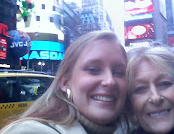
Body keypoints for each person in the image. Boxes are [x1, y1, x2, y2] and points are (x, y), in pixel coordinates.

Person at [0, 31, 128, 134]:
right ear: (65, 81)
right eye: (93, 70)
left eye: (119, 72)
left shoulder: (135, 127)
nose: (109, 81)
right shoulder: (30, 131)